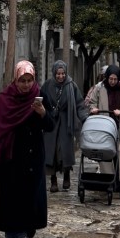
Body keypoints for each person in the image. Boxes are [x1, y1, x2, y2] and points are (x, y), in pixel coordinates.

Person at [0, 59, 54, 238]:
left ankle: (30, 226)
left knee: (31, 199)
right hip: (12, 159)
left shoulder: (40, 96)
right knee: (12, 201)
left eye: (29, 80)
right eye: (23, 80)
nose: (27, 85)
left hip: (33, 158)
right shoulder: (6, 98)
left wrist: (43, 113)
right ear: (16, 79)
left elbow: (51, 125)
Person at [41, 60, 88, 191]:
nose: (60, 76)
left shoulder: (71, 85)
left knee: (64, 151)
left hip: (66, 122)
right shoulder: (47, 85)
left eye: (63, 73)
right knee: (51, 152)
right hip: (51, 123)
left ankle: (66, 175)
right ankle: (53, 180)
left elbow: (79, 103)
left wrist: (84, 117)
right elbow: (41, 101)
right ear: (54, 73)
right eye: (58, 73)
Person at [85, 64, 120, 183]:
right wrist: (93, 109)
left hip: (119, 125)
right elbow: (92, 102)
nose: (112, 82)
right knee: (106, 151)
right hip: (104, 126)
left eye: (115, 79)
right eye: (110, 79)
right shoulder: (99, 88)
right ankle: (108, 177)